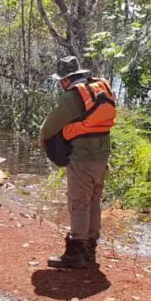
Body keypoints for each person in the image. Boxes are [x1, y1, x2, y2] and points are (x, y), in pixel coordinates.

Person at [40, 56, 116, 269]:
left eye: (60, 81)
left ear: (66, 79)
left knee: (78, 203)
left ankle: (75, 252)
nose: (60, 85)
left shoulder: (71, 97)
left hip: (82, 158)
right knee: (93, 202)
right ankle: (90, 249)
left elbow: (48, 128)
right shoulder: (98, 90)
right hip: (102, 156)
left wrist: (44, 142)